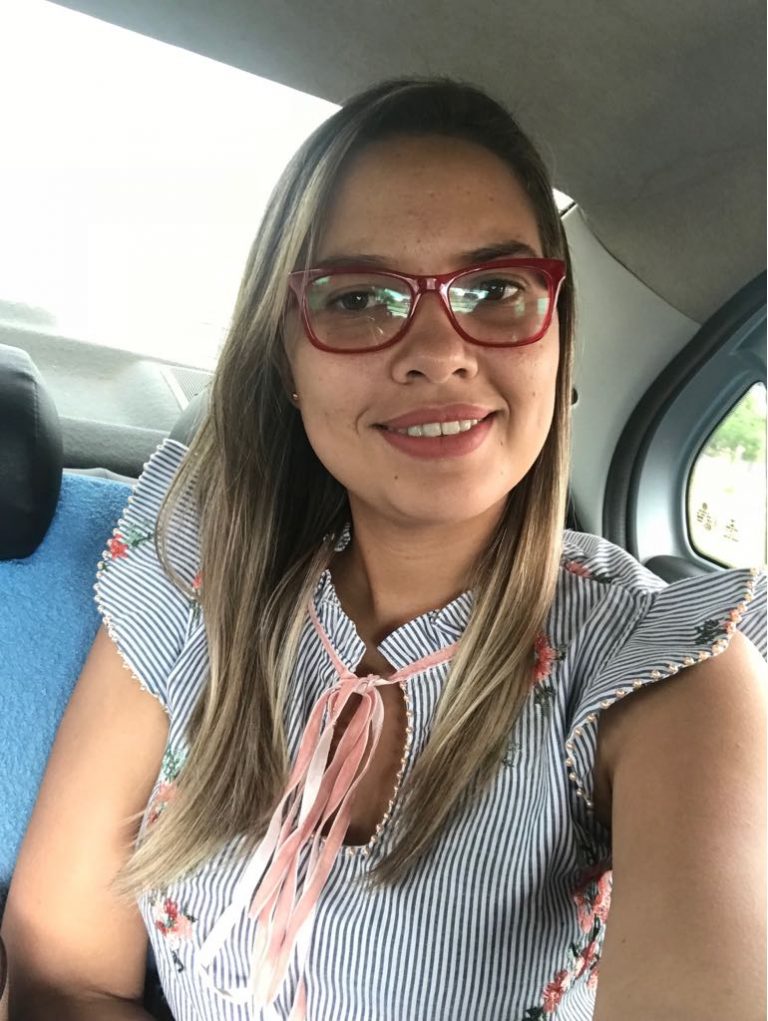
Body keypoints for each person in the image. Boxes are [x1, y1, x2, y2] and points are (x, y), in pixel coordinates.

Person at [3, 78, 766, 1021]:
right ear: (287, 357)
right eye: (360, 298)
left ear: (558, 338)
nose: (438, 349)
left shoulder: (669, 679)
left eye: (495, 289)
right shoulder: (198, 575)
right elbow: (58, 975)